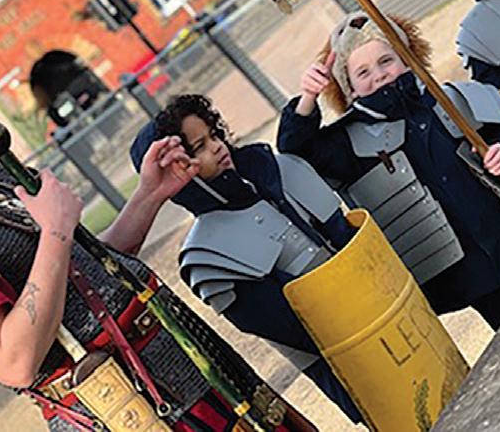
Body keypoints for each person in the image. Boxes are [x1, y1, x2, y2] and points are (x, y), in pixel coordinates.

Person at [0, 57, 313, 432]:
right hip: (130, 410)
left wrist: (149, 194)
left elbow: (92, 274)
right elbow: (13, 361)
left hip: (190, 366)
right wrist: (55, 232)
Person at [277, 13, 500, 330]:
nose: (379, 75)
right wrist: (308, 98)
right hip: (470, 276)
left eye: (386, 60)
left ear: (407, 58)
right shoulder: (345, 144)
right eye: (362, 72)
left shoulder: (448, 99)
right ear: (349, 88)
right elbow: (293, 149)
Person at [129, 94, 362, 424]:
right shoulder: (206, 256)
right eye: (198, 147)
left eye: (213, 135)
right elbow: (286, 326)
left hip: (387, 311)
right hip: (340, 360)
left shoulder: (278, 172)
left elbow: (348, 238)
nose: (216, 147)